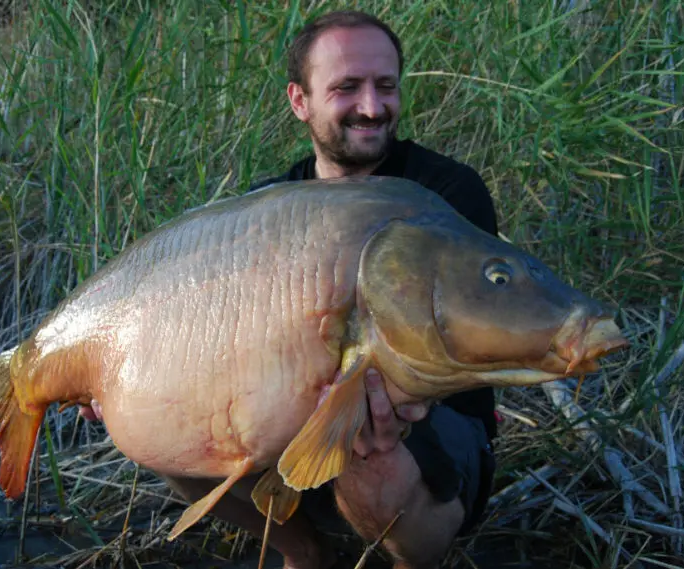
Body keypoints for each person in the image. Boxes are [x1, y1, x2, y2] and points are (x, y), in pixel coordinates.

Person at [81, 10, 498, 569]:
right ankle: (301, 549)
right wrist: (119, 376)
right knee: (172, 405)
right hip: (295, 422)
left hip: (428, 425)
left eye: (386, 86)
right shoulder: (269, 205)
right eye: (347, 88)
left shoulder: (443, 193)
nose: (372, 107)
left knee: (361, 417)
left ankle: (410, 557)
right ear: (299, 101)